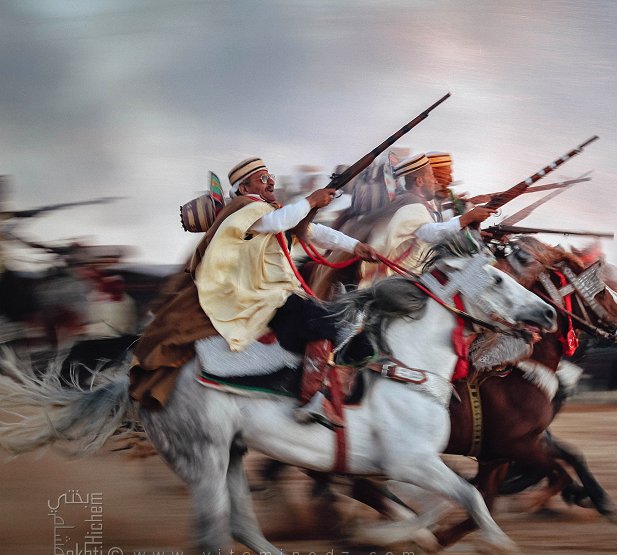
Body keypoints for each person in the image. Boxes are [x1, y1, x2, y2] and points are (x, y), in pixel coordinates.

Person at [129, 157, 375, 423]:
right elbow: (278, 223)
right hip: (260, 295)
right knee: (323, 321)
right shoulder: (245, 208)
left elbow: (314, 231)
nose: (271, 182)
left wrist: (355, 246)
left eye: (270, 176)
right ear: (245, 189)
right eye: (263, 179)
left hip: (274, 291)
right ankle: (310, 397)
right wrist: (312, 201)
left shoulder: (268, 210)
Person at [358, 153, 496, 284]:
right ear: (419, 181)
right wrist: (467, 218)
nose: (435, 180)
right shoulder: (411, 203)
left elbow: (434, 230)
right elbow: (429, 233)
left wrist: (468, 226)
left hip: (417, 272)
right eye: (431, 176)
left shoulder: (424, 203)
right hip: (402, 277)